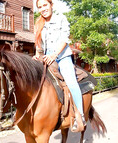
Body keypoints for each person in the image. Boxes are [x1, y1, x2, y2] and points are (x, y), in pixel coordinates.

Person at [33, 0, 85, 131]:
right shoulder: (38, 23)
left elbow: (64, 39)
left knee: (71, 82)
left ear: (51, 5)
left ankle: (80, 115)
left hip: (62, 56)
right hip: (46, 57)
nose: (43, 9)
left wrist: (54, 55)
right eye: (40, 7)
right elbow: (39, 45)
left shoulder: (61, 18)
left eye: (45, 5)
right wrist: (37, 55)